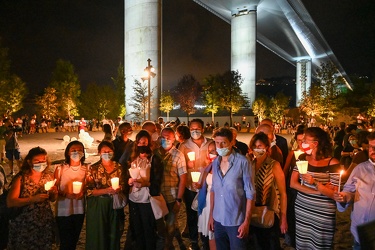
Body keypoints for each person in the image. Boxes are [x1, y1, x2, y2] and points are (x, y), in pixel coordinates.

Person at [290, 127, 340, 249]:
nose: (302, 143)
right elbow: (293, 183)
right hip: (303, 209)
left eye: (306, 140)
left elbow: (335, 194)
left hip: (322, 213)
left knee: (320, 244)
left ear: (315, 143)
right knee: (303, 242)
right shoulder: (302, 158)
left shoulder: (332, 163)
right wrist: (319, 191)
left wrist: (315, 182)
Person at [208, 127, 255, 250]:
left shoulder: (243, 162)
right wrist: (211, 216)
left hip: (236, 220)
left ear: (232, 142)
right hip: (218, 219)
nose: (220, 146)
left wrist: (246, 222)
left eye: (223, 142)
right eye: (217, 143)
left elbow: (250, 193)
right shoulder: (215, 163)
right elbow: (214, 190)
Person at [6, 147, 58, 249]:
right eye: (37, 161)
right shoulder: (21, 178)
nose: (41, 163)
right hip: (24, 224)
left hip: (44, 223)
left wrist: (54, 193)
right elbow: (10, 202)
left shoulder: (48, 176)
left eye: (43, 160)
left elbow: (52, 199)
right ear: (29, 162)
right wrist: (32, 199)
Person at [334, 132, 375, 250]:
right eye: (371, 147)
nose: (373, 150)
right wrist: (344, 196)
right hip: (360, 232)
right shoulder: (360, 168)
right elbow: (349, 191)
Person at [248, 132, 288, 249]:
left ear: (266, 147)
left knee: (269, 244)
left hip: (269, 212)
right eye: (254, 146)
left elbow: (283, 193)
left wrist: (283, 217)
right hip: (253, 212)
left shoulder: (274, 165)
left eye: (260, 146)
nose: (257, 149)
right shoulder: (250, 164)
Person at [126, 130, 164, 250]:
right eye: (140, 142)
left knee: (148, 229)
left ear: (149, 143)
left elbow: (157, 180)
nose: (142, 144)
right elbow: (126, 176)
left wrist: (145, 184)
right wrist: (129, 181)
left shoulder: (154, 159)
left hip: (147, 199)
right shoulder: (132, 158)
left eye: (145, 142)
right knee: (137, 228)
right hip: (134, 199)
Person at [178, 118, 212, 250]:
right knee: (191, 215)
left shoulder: (210, 143)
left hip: (205, 186)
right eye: (192, 129)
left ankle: (205, 240)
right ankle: (193, 241)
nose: (195, 131)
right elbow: (179, 166)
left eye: (197, 129)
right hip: (190, 186)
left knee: (205, 213)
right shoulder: (184, 145)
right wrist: (187, 164)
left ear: (203, 129)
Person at [85, 141, 125, 250]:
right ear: (99, 153)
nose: (107, 153)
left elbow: (123, 185)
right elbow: (89, 191)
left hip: (114, 204)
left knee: (113, 232)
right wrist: (106, 190)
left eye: (109, 151)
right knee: (99, 233)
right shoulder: (93, 169)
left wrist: (119, 188)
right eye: (104, 151)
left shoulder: (119, 167)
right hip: (98, 205)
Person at [154, 127, 187, 249]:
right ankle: (180, 242)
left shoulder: (178, 155)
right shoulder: (155, 153)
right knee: (164, 226)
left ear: (174, 139)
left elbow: (183, 178)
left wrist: (179, 199)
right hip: (158, 196)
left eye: (168, 138)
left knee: (170, 225)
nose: (165, 139)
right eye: (163, 137)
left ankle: (168, 246)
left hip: (172, 196)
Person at [55, 141, 87, 250]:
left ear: (83, 153)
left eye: (79, 150)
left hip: (79, 209)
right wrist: (65, 194)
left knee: (74, 240)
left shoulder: (86, 169)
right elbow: (54, 189)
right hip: (63, 210)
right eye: (73, 150)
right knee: (65, 242)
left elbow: (88, 187)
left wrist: (83, 192)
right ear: (68, 152)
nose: (76, 152)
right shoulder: (61, 169)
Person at [282, 125, 305, 248]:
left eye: (304, 140)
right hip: (293, 188)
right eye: (299, 140)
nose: (301, 143)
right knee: (292, 213)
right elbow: (285, 170)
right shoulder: (293, 153)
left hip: (307, 187)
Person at [195, 141, 217, 250]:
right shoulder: (208, 167)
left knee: (215, 233)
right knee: (208, 235)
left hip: (217, 203)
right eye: (210, 151)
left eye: (215, 150)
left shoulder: (223, 167)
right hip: (206, 202)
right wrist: (198, 185)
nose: (213, 153)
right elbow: (202, 184)